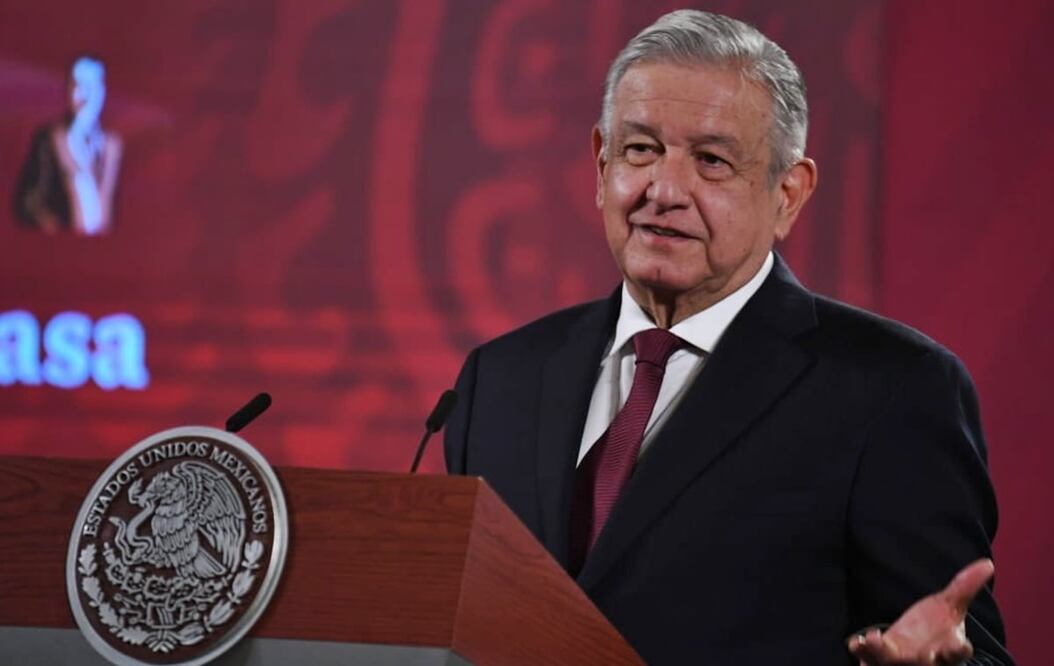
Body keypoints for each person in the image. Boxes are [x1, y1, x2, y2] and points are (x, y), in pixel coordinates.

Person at [443, 10, 1012, 665]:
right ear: (602, 166)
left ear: (788, 195)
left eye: (711, 161)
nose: (664, 189)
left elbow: (968, 648)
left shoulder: (892, 390)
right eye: (640, 150)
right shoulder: (499, 379)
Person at [14, 55, 122, 235]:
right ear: (68, 90)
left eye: (92, 87)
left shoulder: (112, 146)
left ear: (102, 92)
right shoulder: (49, 140)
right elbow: (28, 201)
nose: (85, 96)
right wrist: (51, 227)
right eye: (79, 86)